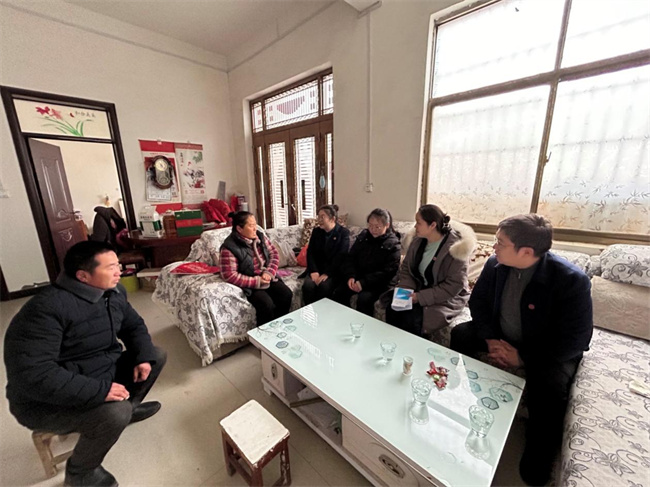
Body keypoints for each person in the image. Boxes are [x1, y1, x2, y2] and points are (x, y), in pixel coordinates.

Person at [4, 241, 166, 487]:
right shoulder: (45, 310)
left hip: (99, 372)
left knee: (155, 355)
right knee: (115, 413)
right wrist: (100, 391)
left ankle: (129, 409)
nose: (119, 272)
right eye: (111, 267)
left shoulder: (114, 292)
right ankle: (80, 472)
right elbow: (33, 375)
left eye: (118, 265)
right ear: (83, 276)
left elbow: (133, 326)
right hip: (46, 401)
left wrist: (143, 356)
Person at [450, 214, 593, 486]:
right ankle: (469, 400)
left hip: (545, 348)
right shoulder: (495, 265)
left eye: (500, 243)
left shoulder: (571, 280)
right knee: (461, 334)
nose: (493, 247)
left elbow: (576, 339)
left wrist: (522, 357)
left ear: (526, 251)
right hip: (500, 335)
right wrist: (490, 339)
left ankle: (538, 454)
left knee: (550, 385)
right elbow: (478, 304)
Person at [386, 204, 476, 337]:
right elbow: (406, 269)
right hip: (417, 289)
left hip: (445, 298)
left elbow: (454, 285)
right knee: (392, 309)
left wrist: (420, 297)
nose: (415, 226)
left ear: (432, 225)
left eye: (418, 223)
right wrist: (406, 291)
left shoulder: (456, 248)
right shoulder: (417, 241)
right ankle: (391, 345)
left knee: (413, 319)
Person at [220, 211, 292, 326]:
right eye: (251, 226)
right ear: (239, 229)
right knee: (266, 304)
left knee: (286, 294)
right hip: (250, 283)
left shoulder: (260, 237)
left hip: (267, 277)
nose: (255, 229)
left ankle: (279, 327)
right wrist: (257, 281)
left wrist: (269, 272)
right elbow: (229, 275)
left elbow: (274, 254)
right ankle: (264, 334)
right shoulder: (229, 247)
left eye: (255, 225)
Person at [332, 208, 401, 316]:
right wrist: (351, 276)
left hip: (379, 284)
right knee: (339, 292)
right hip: (359, 278)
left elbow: (388, 272)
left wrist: (363, 283)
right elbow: (351, 258)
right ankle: (344, 320)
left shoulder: (393, 244)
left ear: (387, 225)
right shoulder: (364, 236)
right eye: (370, 225)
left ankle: (362, 325)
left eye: (377, 227)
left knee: (364, 299)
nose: (373, 229)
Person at [301, 204, 350, 305]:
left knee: (324, 287)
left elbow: (341, 256)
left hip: (333, 271)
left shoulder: (343, 233)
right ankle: (309, 312)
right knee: (308, 286)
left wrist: (327, 273)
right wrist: (313, 271)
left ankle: (323, 312)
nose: (319, 220)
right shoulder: (316, 231)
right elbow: (310, 253)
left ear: (332, 219)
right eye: (318, 217)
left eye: (322, 217)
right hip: (317, 269)